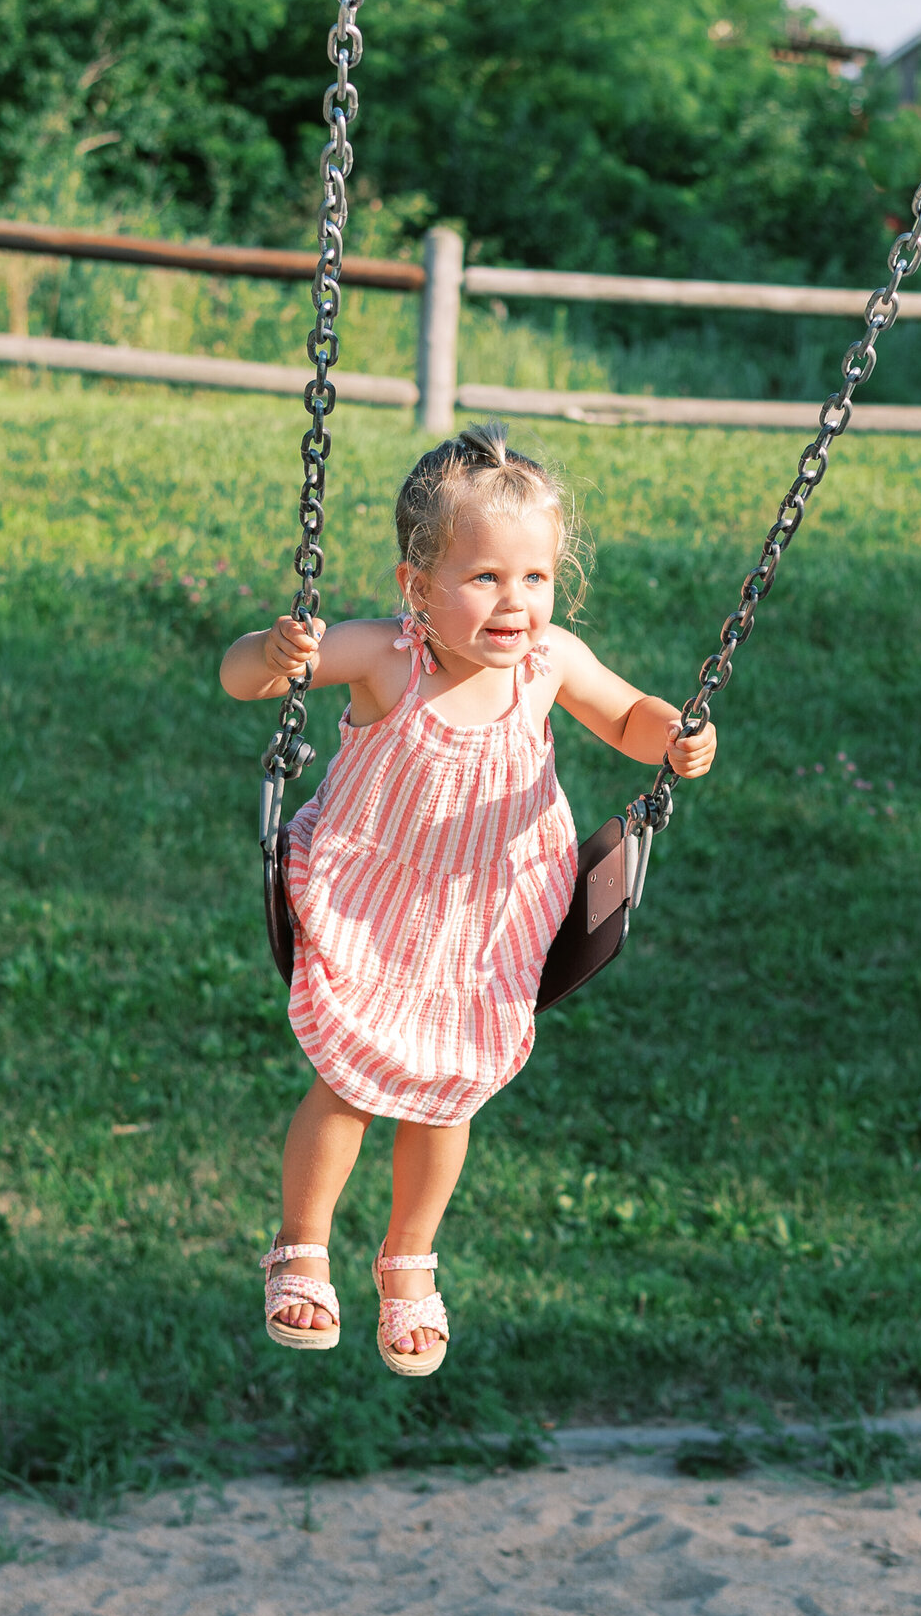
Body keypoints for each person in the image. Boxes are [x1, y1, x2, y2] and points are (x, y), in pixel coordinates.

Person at [219, 423, 716, 1377]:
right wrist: (273, 650)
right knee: (350, 1087)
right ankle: (301, 1247)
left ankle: (409, 1262)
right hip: (374, 902)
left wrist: (675, 738)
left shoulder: (550, 663)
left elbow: (625, 713)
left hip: (489, 919)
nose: (515, 601)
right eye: (484, 577)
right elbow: (242, 679)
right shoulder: (384, 658)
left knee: (450, 1100)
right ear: (418, 587)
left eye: (534, 578)